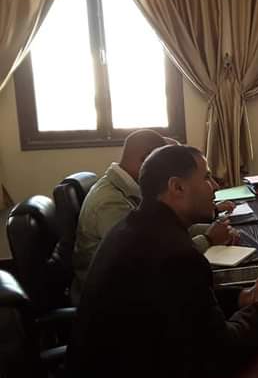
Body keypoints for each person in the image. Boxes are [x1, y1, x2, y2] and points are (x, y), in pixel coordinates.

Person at [63, 145, 258, 378]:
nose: (215, 186)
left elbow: (186, 303)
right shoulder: (174, 253)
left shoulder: (135, 225)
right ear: (177, 187)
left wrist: (243, 298)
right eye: (206, 177)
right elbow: (220, 354)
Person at [72, 130, 233, 304]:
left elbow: (169, 231)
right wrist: (208, 239)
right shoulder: (109, 202)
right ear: (147, 160)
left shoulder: (134, 198)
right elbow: (153, 257)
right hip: (116, 303)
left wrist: (214, 229)